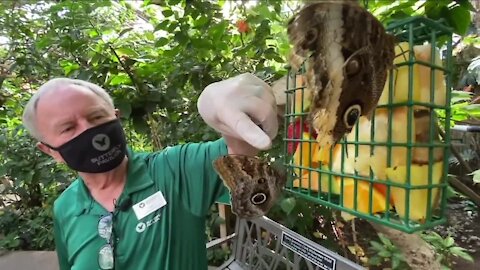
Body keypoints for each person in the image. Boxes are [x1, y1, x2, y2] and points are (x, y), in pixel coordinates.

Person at [21, 73, 278, 270]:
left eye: (97, 117)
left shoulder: (175, 170)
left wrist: (229, 107)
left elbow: (238, 151)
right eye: (68, 128)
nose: (89, 131)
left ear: (116, 117)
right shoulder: (65, 208)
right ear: (50, 150)